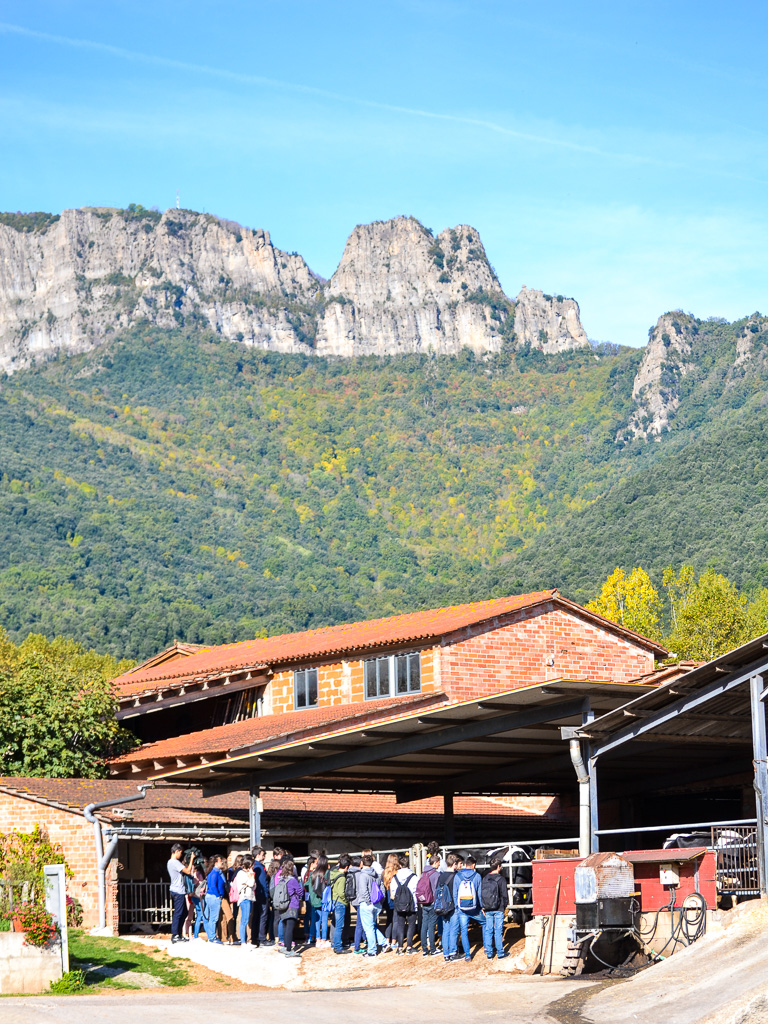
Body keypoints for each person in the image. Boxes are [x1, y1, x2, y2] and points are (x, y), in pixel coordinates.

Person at [453, 853, 484, 962]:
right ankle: (487, 948)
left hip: (462, 908)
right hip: (475, 908)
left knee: (464, 931)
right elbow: (479, 894)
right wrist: (482, 908)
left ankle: (467, 955)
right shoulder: (477, 876)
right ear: (474, 865)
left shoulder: (457, 876)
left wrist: (458, 907)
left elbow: (455, 893)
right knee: (485, 923)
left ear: (465, 864)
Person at [355, 853, 387, 957]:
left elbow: (364, 891)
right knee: (371, 926)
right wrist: (380, 901)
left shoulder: (362, 875)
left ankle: (372, 951)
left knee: (368, 928)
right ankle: (384, 943)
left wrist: (368, 902)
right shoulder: (376, 874)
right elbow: (382, 887)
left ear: (362, 863)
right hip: (376, 903)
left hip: (367, 904)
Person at [389, 853, 419, 954]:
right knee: (411, 925)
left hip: (399, 905)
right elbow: (416, 890)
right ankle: (409, 947)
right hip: (411, 904)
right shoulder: (414, 877)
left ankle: (400, 948)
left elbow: (392, 891)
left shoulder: (395, 877)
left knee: (400, 925)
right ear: (408, 865)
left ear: (400, 865)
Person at [481, 857, 510, 960]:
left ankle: (489, 953)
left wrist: (483, 907)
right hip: (498, 908)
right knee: (498, 930)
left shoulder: (485, 878)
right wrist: (504, 907)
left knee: (488, 930)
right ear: (498, 866)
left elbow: (481, 893)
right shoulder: (501, 879)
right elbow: (504, 895)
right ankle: (500, 953)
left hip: (488, 908)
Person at [437, 852, 462, 962]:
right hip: (453, 906)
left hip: (443, 906)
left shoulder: (441, 876)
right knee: (454, 929)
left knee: (446, 929)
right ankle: (453, 953)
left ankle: (446, 954)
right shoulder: (455, 876)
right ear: (455, 864)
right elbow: (457, 892)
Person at [276, 859, 304, 957]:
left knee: (284, 926)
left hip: (282, 905)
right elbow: (300, 892)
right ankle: (288, 950)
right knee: (290, 928)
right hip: (292, 905)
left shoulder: (281, 879)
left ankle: (285, 946)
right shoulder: (292, 880)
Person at [167, 843, 192, 943]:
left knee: (184, 912)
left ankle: (179, 934)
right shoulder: (174, 862)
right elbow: (188, 871)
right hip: (178, 891)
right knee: (178, 913)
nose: (181, 855)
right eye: (180, 853)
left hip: (177, 890)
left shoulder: (171, 862)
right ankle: (175, 935)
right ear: (176, 851)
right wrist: (192, 859)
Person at [418, 853, 442, 956]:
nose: (439, 865)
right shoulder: (436, 874)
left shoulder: (423, 873)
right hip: (432, 902)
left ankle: (424, 949)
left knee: (424, 925)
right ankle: (432, 949)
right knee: (432, 926)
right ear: (435, 862)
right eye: (438, 863)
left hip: (424, 902)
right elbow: (437, 890)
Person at [329, 854, 352, 954]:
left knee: (336, 923)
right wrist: (346, 901)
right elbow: (341, 892)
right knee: (340, 925)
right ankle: (338, 946)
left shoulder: (334, 873)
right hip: (340, 903)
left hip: (335, 900)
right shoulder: (342, 877)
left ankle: (336, 944)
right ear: (346, 867)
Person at [204, 854, 228, 944]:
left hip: (211, 897)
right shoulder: (214, 872)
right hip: (214, 897)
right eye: (220, 860)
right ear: (215, 862)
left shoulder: (214, 872)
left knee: (208, 917)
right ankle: (212, 937)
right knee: (213, 918)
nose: (222, 862)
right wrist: (218, 895)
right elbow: (213, 886)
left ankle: (211, 936)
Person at [307, 853, 330, 948]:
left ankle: (318, 939)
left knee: (317, 920)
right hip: (324, 900)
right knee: (324, 920)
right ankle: (324, 940)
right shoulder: (327, 873)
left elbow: (308, 886)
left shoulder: (313, 873)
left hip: (315, 900)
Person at [251, 845, 272, 946]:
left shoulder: (253, 866)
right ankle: (262, 938)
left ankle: (255, 938)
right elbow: (263, 883)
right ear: (258, 855)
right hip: (262, 895)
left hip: (255, 895)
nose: (264, 857)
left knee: (256, 916)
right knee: (263, 916)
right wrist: (267, 894)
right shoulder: (260, 867)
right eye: (263, 855)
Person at [235, 856, 257, 947]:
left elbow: (254, 886)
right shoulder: (241, 873)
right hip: (245, 898)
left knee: (248, 920)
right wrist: (251, 876)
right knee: (244, 920)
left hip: (251, 897)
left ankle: (248, 941)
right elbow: (251, 883)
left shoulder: (248, 874)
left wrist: (251, 878)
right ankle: (243, 942)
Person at [380, 853, 400, 950]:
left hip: (386, 899)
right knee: (395, 920)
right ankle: (394, 941)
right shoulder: (397, 873)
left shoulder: (384, 873)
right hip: (395, 898)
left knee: (389, 920)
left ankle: (387, 939)